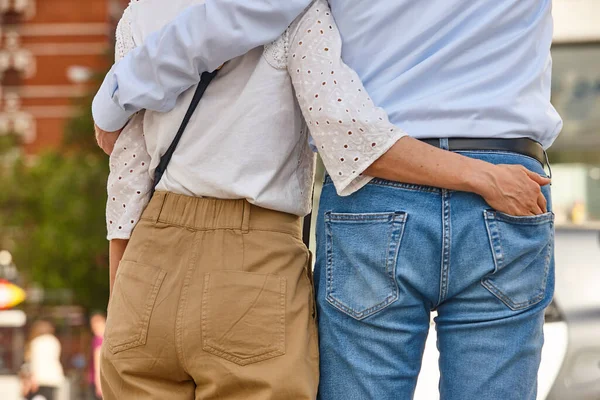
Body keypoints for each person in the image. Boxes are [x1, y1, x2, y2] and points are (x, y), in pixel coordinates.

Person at [92, 1, 560, 399]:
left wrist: (114, 97)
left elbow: (128, 179)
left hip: (366, 197)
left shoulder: (139, 15)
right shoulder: (303, 19)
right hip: (501, 186)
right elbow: (343, 125)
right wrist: (482, 177)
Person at [22, 320, 65, 400]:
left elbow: (34, 363)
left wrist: (32, 380)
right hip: (53, 378)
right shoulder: (54, 341)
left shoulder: (36, 342)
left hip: (40, 379)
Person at [88, 313, 105, 399]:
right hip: (101, 380)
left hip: (97, 380)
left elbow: (97, 364)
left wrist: (98, 384)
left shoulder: (98, 340)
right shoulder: (104, 339)